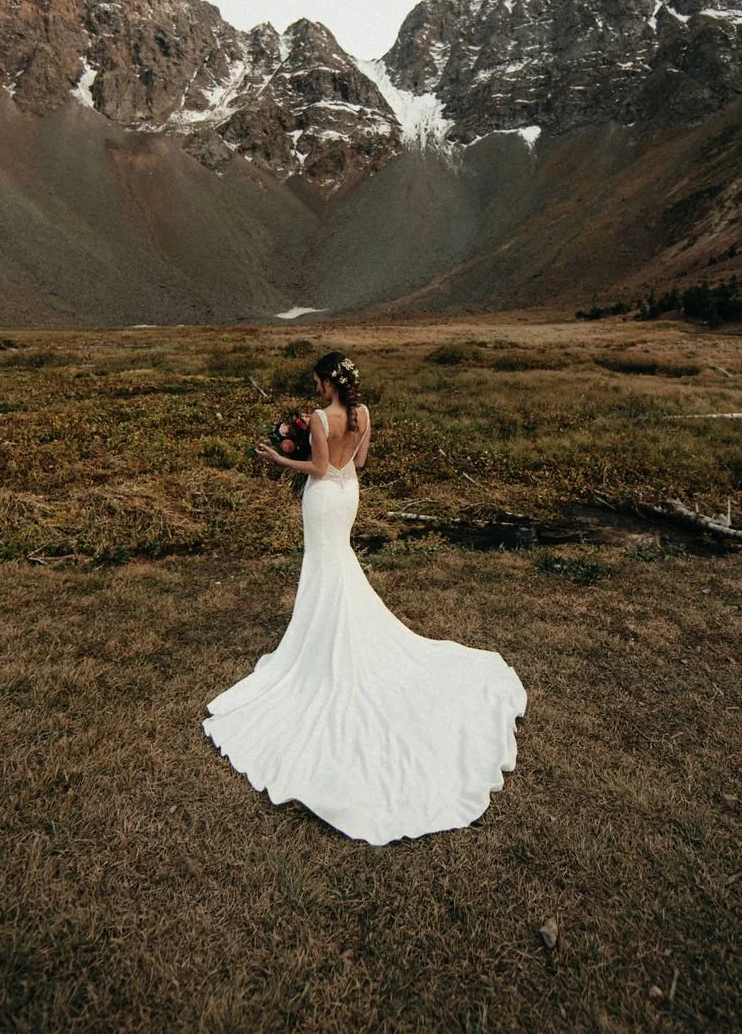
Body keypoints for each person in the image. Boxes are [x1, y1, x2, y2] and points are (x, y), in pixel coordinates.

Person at [202, 351, 527, 845]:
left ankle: (324, 640)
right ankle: (333, 628)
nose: (313, 389)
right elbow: (358, 462)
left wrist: (277, 457)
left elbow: (316, 467)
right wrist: (334, 457)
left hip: (323, 497)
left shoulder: (318, 418)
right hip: (349, 494)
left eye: (315, 380)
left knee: (325, 564)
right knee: (338, 563)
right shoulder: (364, 415)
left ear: (327, 382)